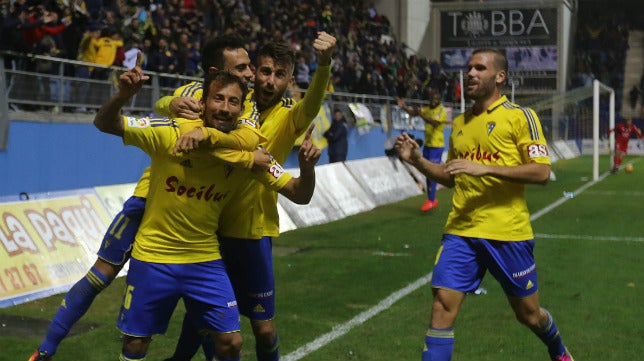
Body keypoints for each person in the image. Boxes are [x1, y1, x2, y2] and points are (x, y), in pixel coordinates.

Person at [27, 35, 266, 361]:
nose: (250, 73)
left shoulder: (246, 104)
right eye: (241, 68)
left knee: (222, 332)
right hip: (151, 203)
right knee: (101, 277)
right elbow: (154, 112)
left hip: (201, 234)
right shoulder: (184, 107)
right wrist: (153, 101)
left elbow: (250, 137)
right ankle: (45, 350)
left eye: (250, 68)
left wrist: (207, 135)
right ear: (214, 75)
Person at [95, 56, 320, 361]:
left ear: (242, 110)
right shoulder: (169, 132)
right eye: (218, 99)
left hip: (204, 260)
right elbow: (105, 123)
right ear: (203, 102)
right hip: (154, 257)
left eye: (232, 102)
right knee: (135, 345)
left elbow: (299, 193)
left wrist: (306, 169)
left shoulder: (250, 156)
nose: (224, 108)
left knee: (231, 343)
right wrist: (123, 96)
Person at [159, 31, 336, 361]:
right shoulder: (236, 101)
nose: (270, 81)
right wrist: (169, 104)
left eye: (279, 75)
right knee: (207, 317)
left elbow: (312, 103)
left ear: (288, 80)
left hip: (254, 231)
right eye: (265, 71)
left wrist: (324, 63)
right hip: (213, 226)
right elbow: (187, 108)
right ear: (254, 70)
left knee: (263, 329)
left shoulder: (290, 115)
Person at [395, 48, 575, 361]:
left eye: (480, 68)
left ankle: (558, 349)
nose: (471, 74)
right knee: (441, 307)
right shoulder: (461, 123)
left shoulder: (521, 117)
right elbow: (450, 175)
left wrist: (486, 168)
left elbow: (542, 171)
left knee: (529, 315)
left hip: (508, 232)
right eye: (469, 68)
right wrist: (418, 160)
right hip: (461, 230)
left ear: (500, 77)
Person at [397, 88, 448, 211]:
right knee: (426, 171)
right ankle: (431, 199)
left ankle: (431, 200)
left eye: (435, 99)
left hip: (437, 145)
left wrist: (420, 114)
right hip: (428, 144)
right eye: (431, 99)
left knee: (432, 172)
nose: (433, 101)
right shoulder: (427, 109)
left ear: (439, 100)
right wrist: (404, 107)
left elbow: (434, 123)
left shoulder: (441, 110)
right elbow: (414, 113)